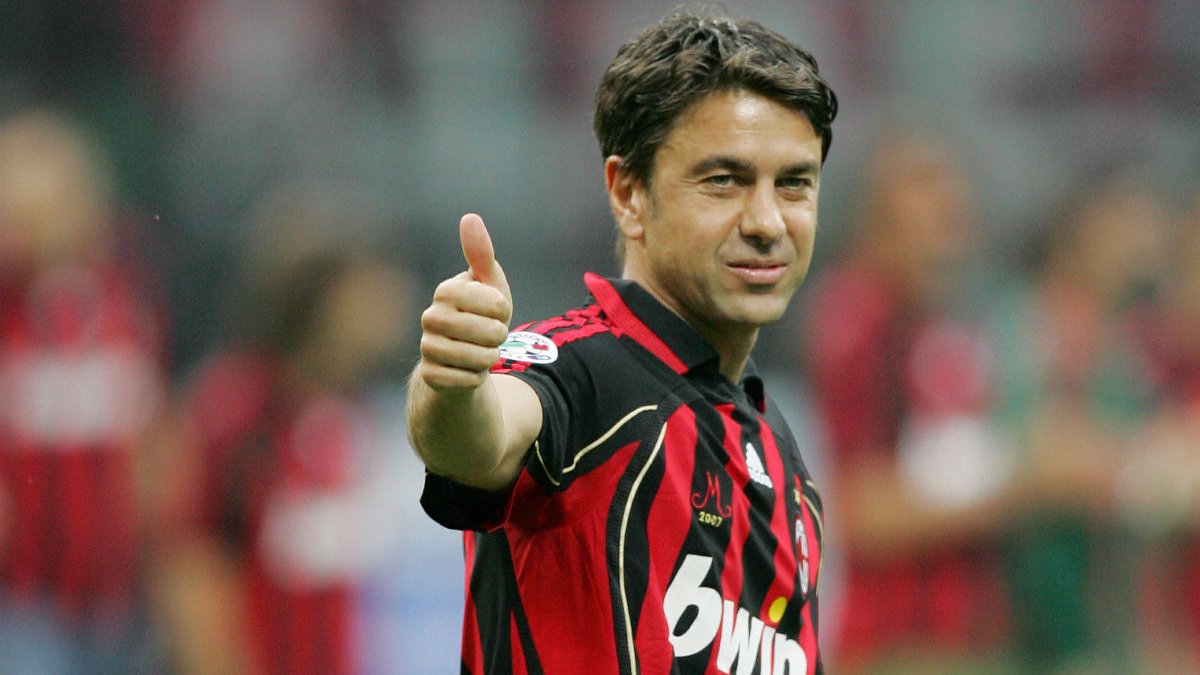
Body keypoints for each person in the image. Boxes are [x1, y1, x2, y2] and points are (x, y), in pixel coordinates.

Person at [407, 10, 837, 673]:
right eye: (723, 180)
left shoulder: (780, 458)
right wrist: (450, 383)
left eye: (793, 184)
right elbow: (479, 434)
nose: (766, 221)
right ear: (629, 193)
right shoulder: (582, 374)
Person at [156, 233, 415, 675]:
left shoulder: (355, 411)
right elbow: (191, 568)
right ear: (323, 303)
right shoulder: (235, 411)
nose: (392, 304)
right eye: (369, 290)